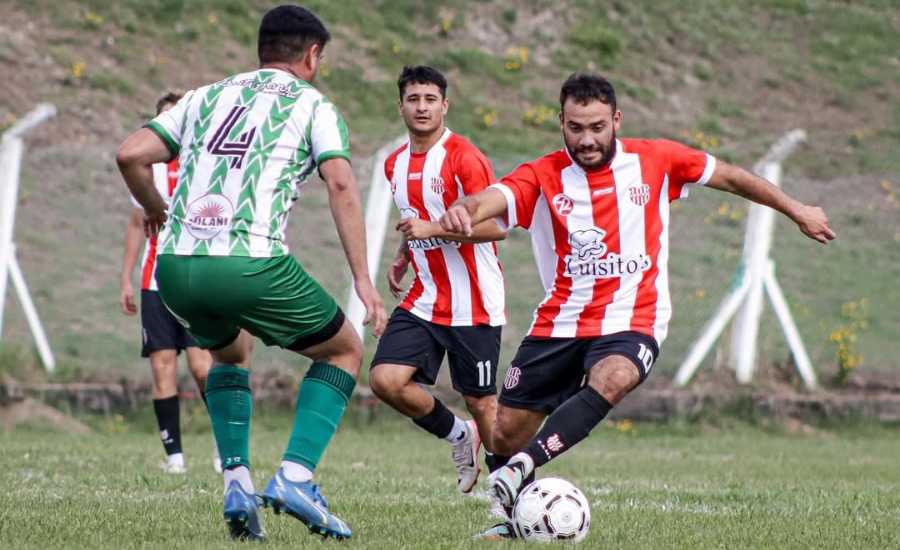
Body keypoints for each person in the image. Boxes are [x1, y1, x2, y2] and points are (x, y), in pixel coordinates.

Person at [438, 73, 836, 539]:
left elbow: (729, 176)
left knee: (616, 376)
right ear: (560, 123)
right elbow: (496, 197)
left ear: (616, 120)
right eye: (575, 128)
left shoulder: (656, 160)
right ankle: (515, 520)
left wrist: (798, 210)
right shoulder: (543, 174)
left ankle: (522, 467)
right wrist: (465, 209)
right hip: (561, 321)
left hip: (634, 318)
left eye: (597, 127)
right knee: (503, 433)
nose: (587, 139)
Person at [115, 5, 387, 542]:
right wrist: (362, 278)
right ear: (311, 55)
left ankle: (236, 482)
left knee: (231, 353)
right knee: (343, 351)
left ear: (262, 49)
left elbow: (130, 154)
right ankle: (295, 476)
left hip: (175, 266)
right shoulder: (314, 104)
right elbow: (340, 185)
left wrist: (155, 208)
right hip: (249, 262)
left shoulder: (205, 95)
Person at [368, 65, 507, 497]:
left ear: (445, 106)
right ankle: (458, 436)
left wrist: (433, 230)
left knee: (482, 402)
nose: (422, 107)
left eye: (430, 99)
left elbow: (499, 226)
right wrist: (402, 254)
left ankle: (510, 494)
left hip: (474, 301)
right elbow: (415, 217)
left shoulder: (465, 157)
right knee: (385, 379)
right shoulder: (394, 164)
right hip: (426, 296)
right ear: (401, 107)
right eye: (414, 99)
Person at [119, 91, 219, 475]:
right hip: (155, 281)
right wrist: (125, 278)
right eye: (164, 119)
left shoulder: (209, 167)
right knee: (162, 367)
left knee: (203, 367)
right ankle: (174, 458)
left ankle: (221, 448)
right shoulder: (147, 169)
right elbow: (135, 224)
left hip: (198, 280)